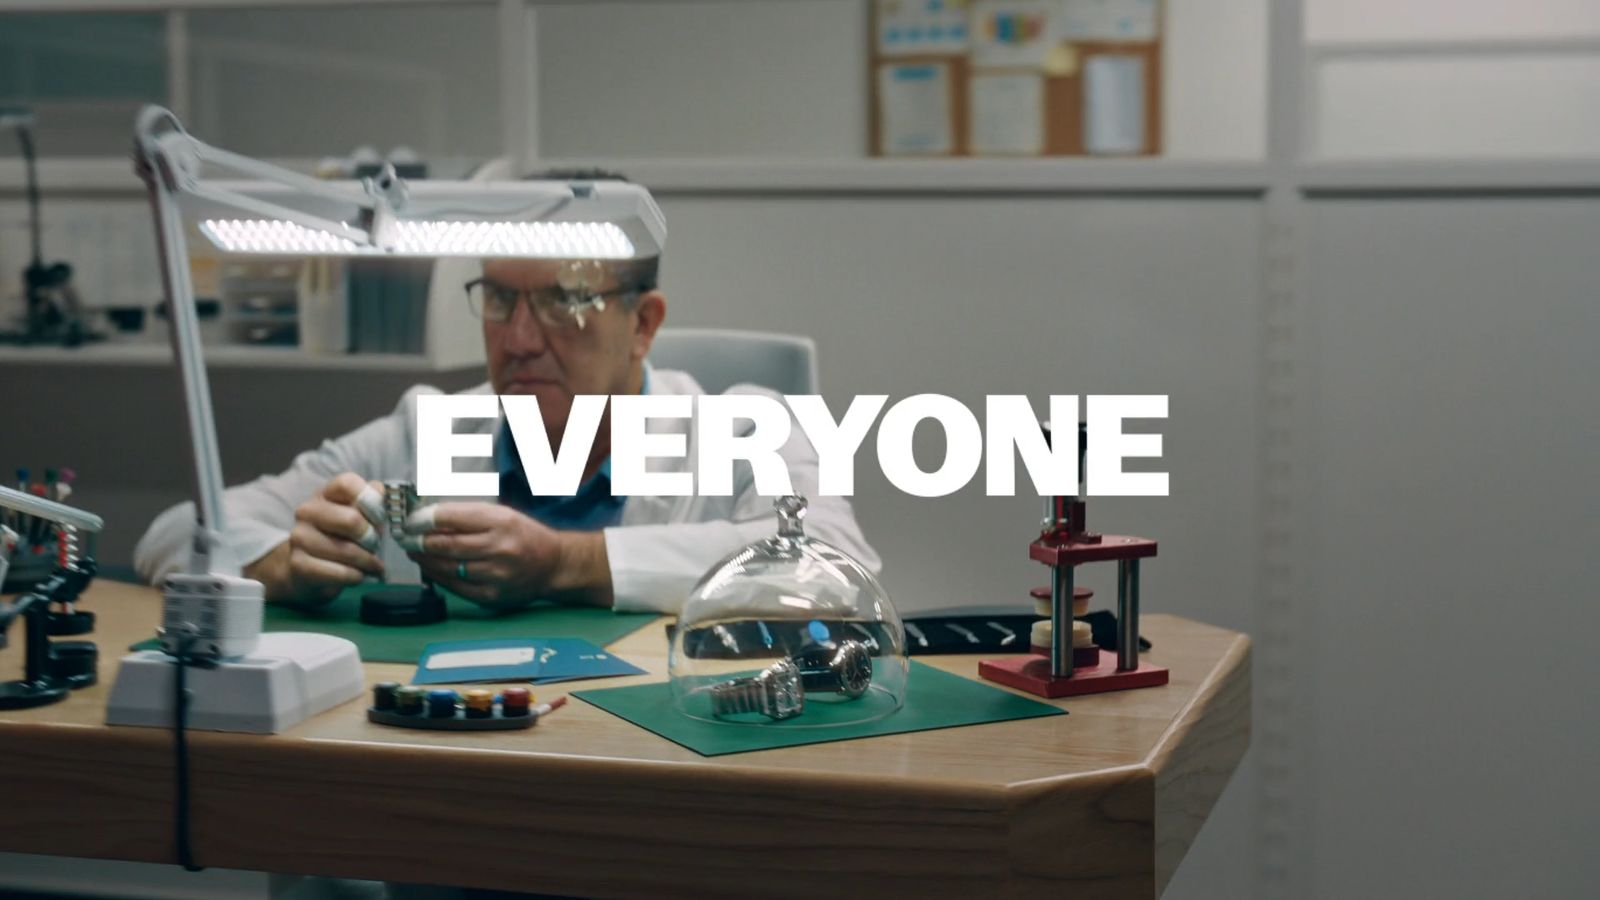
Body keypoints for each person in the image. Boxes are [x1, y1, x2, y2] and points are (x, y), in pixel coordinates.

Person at [133, 176, 879, 614]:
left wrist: (564, 560)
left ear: (642, 323)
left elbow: (841, 570)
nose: (519, 339)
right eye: (498, 299)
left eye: (564, 302)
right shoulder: (432, 428)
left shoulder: (746, 428)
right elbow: (174, 531)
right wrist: (281, 565)